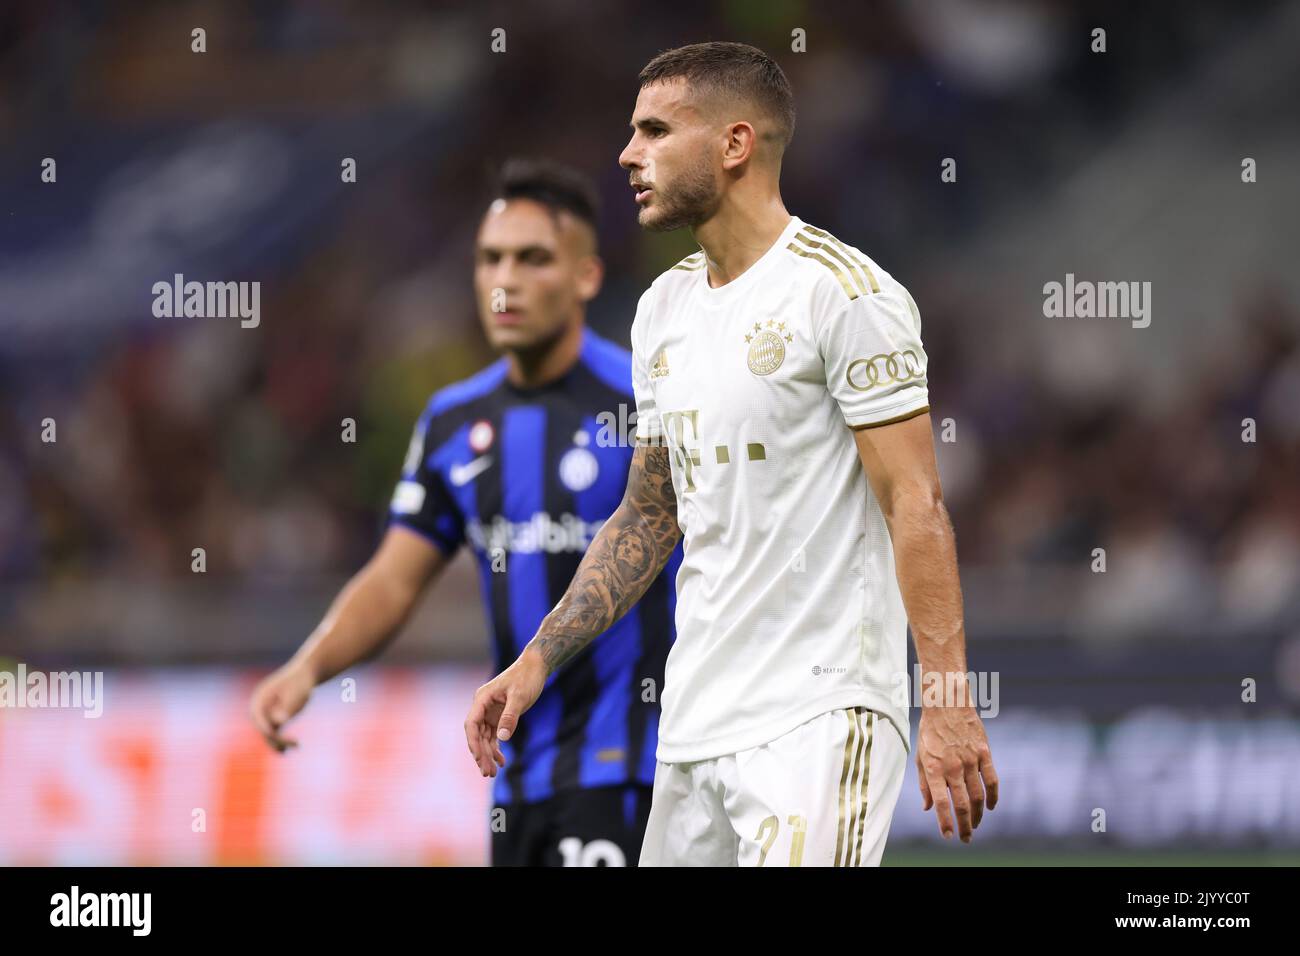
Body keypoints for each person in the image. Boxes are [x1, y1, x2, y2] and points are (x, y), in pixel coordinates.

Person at [465, 43, 998, 866]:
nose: (627, 154)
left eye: (654, 131)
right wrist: (536, 660)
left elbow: (915, 504)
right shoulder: (661, 310)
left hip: (823, 715)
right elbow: (649, 514)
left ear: (735, 144)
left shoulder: (844, 294)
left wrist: (950, 703)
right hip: (695, 723)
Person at [250, 159, 680, 867]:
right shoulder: (454, 423)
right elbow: (393, 578)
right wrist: (307, 668)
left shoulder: (645, 400)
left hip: (637, 766)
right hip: (513, 775)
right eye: (490, 259)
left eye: (532, 258)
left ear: (586, 278)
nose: (504, 279)